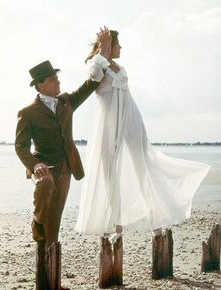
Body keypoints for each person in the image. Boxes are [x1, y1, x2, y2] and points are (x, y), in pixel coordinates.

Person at [75, 30, 211, 237]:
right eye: (118, 44)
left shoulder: (121, 67)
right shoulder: (96, 63)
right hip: (109, 122)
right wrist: (102, 50)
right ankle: (115, 225)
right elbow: (93, 77)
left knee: (143, 166)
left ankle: (156, 222)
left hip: (131, 117)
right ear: (110, 45)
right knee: (110, 170)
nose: (121, 48)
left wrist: (105, 51)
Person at [15, 28, 111, 289]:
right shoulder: (28, 113)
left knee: (55, 225)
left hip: (67, 168)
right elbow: (20, 146)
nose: (58, 82)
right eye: (53, 79)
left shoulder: (67, 101)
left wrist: (102, 51)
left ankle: (52, 283)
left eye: (57, 78)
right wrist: (35, 165)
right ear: (40, 84)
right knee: (44, 189)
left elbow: (91, 84)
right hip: (43, 169)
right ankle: (37, 221)